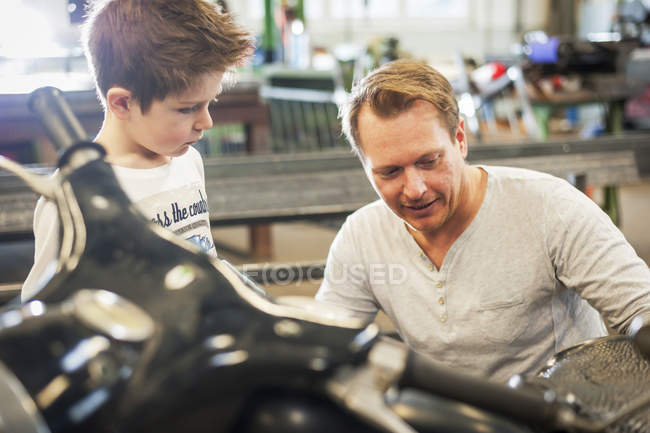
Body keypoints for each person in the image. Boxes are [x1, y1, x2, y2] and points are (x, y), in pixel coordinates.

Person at [315, 59, 650, 382]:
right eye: (389, 172)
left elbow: (641, 308)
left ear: (460, 139)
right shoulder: (361, 237)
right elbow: (323, 349)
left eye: (429, 161)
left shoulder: (550, 209)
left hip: (556, 415)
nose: (415, 189)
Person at [21, 0, 253, 301]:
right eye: (188, 108)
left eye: (210, 103)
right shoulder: (74, 195)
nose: (206, 122)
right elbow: (43, 303)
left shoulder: (189, 160)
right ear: (122, 103)